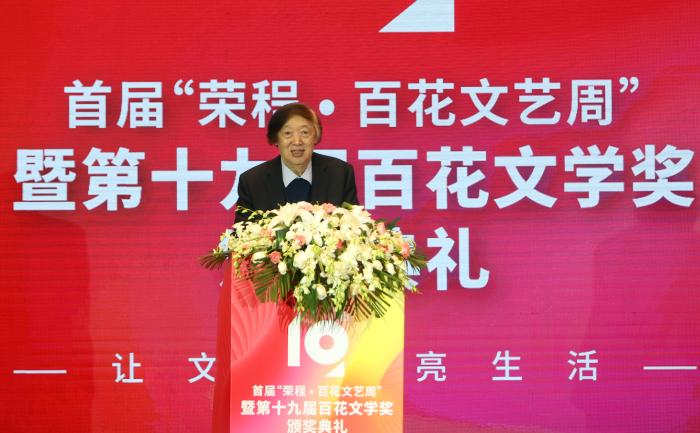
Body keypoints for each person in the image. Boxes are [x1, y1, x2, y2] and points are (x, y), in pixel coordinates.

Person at [212, 102, 359, 432]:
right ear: (275, 140)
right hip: (269, 301)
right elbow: (243, 237)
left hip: (327, 300)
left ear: (316, 136)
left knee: (318, 389)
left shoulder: (339, 172)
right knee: (276, 383)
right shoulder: (253, 180)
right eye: (288, 133)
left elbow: (353, 226)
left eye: (305, 132)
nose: (297, 141)